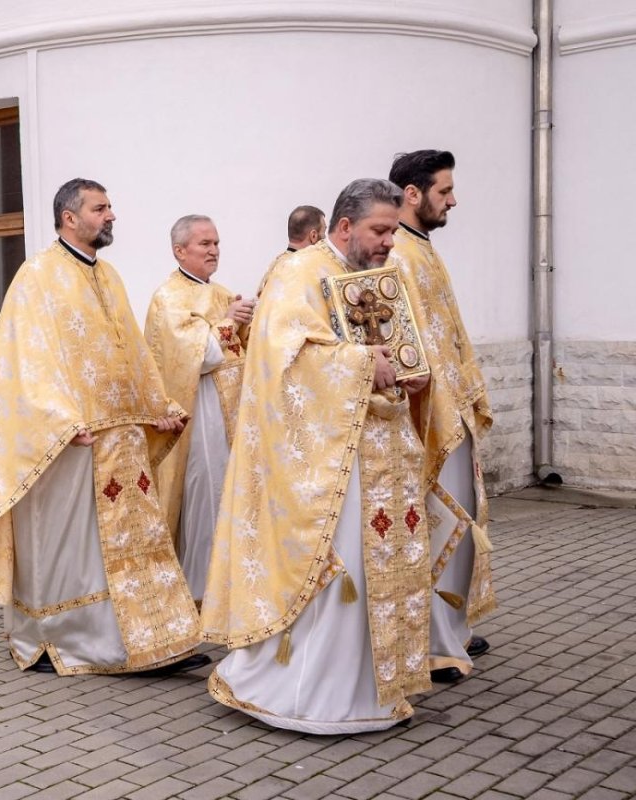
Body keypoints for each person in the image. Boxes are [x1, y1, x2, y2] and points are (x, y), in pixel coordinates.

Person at [203, 178, 432, 733]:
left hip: (376, 450)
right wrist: (360, 364)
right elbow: (284, 362)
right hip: (327, 461)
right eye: (379, 231)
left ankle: (369, 690)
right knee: (343, 566)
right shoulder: (298, 273)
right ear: (345, 226)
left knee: (376, 564)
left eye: (393, 232)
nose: (388, 242)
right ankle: (306, 694)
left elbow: (400, 342)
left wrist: (413, 370)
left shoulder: (373, 277)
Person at [0, 178, 204, 676]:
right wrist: (61, 421)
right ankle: (58, 639)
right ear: (70, 217)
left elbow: (130, 350)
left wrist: (158, 404)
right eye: (100, 208)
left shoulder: (107, 275)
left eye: (110, 207)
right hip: (69, 440)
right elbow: (28, 361)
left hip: (120, 438)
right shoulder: (37, 276)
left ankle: (140, 636)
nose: (110, 216)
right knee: (71, 548)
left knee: (132, 542)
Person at [389, 149, 496, 683]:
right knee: (435, 525)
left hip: (454, 411)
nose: (453, 200)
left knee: (459, 519)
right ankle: (430, 643)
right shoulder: (398, 254)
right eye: (444, 191)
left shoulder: (423, 249)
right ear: (413, 193)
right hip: (427, 417)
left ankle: (450, 628)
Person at [144, 214, 254, 603]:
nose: (213, 250)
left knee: (232, 495)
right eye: (204, 244)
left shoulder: (222, 292)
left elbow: (238, 350)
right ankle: (200, 592)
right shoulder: (169, 297)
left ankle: (233, 585)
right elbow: (198, 359)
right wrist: (226, 324)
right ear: (180, 250)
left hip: (232, 414)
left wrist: (245, 324)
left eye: (217, 243)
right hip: (200, 412)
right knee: (204, 497)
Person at [257, 204, 327, 295]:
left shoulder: (277, 264)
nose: (326, 239)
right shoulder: (303, 270)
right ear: (313, 236)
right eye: (324, 232)